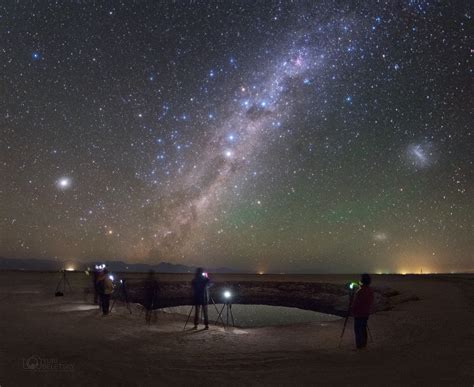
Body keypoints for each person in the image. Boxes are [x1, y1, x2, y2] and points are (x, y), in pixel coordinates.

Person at [351, 273, 374, 349]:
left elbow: (356, 303)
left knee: (358, 330)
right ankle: (364, 344)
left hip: (359, 313)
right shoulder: (370, 290)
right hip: (366, 313)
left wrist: (353, 309)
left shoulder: (360, 292)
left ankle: (359, 346)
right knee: (363, 328)